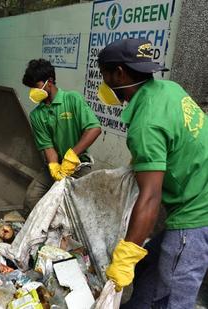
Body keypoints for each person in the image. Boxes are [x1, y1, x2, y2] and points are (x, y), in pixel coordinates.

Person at [98, 39, 208, 308]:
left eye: (105, 74)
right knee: (149, 266)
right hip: (200, 190)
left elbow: (150, 196)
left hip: (196, 213)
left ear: (119, 73)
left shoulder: (145, 124)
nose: (104, 83)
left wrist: (124, 257)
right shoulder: (169, 89)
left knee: (173, 296)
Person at [22, 59, 101, 209]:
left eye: (35, 86)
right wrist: (53, 166)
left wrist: (72, 156)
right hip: (55, 168)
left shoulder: (72, 99)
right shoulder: (36, 115)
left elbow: (94, 129)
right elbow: (48, 146)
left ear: (49, 81)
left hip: (78, 165)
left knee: (83, 205)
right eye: (30, 88)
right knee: (31, 200)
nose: (32, 91)